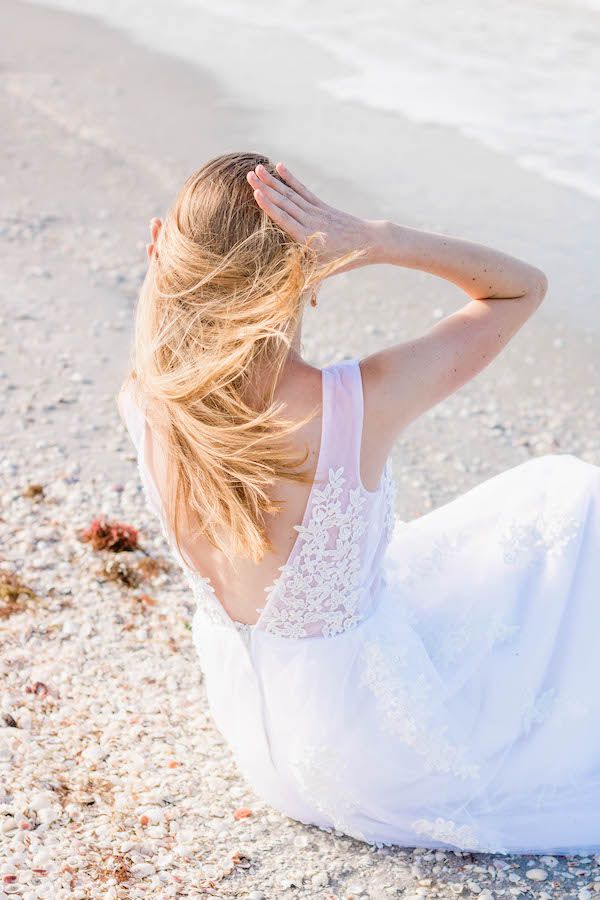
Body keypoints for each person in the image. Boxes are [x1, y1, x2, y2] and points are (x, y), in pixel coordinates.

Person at [118, 152, 600, 855]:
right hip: (378, 764)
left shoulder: (146, 397)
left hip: (268, 754)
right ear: (307, 278)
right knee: (572, 496)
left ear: (163, 252)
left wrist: (170, 270)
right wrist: (380, 239)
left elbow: (173, 330)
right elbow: (520, 290)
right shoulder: (353, 405)